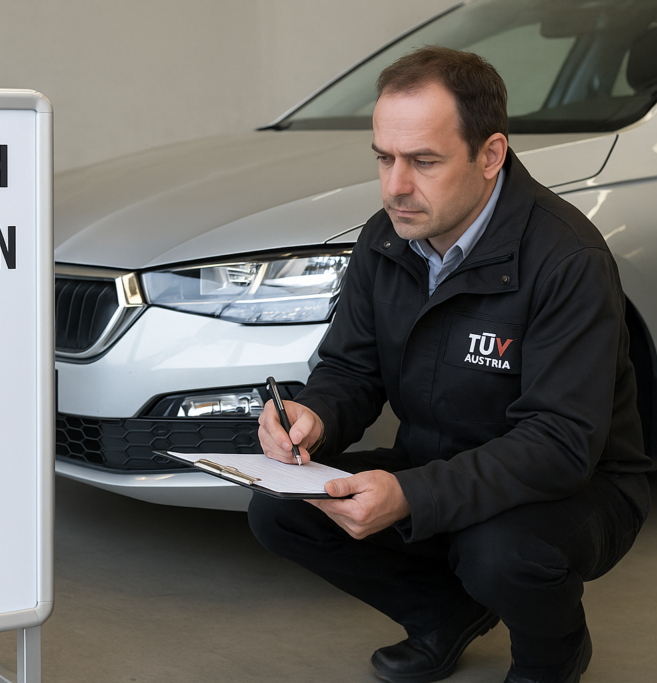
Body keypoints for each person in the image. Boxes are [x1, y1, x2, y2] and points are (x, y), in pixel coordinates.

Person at [248, 46, 652, 683]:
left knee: (498, 550)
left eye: (424, 161)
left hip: (578, 490)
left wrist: (413, 494)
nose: (395, 186)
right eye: (385, 158)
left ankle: (553, 658)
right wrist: (314, 417)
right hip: (438, 463)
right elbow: (351, 370)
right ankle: (444, 614)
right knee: (280, 507)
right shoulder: (386, 237)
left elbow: (560, 443)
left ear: (490, 155)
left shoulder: (568, 259)